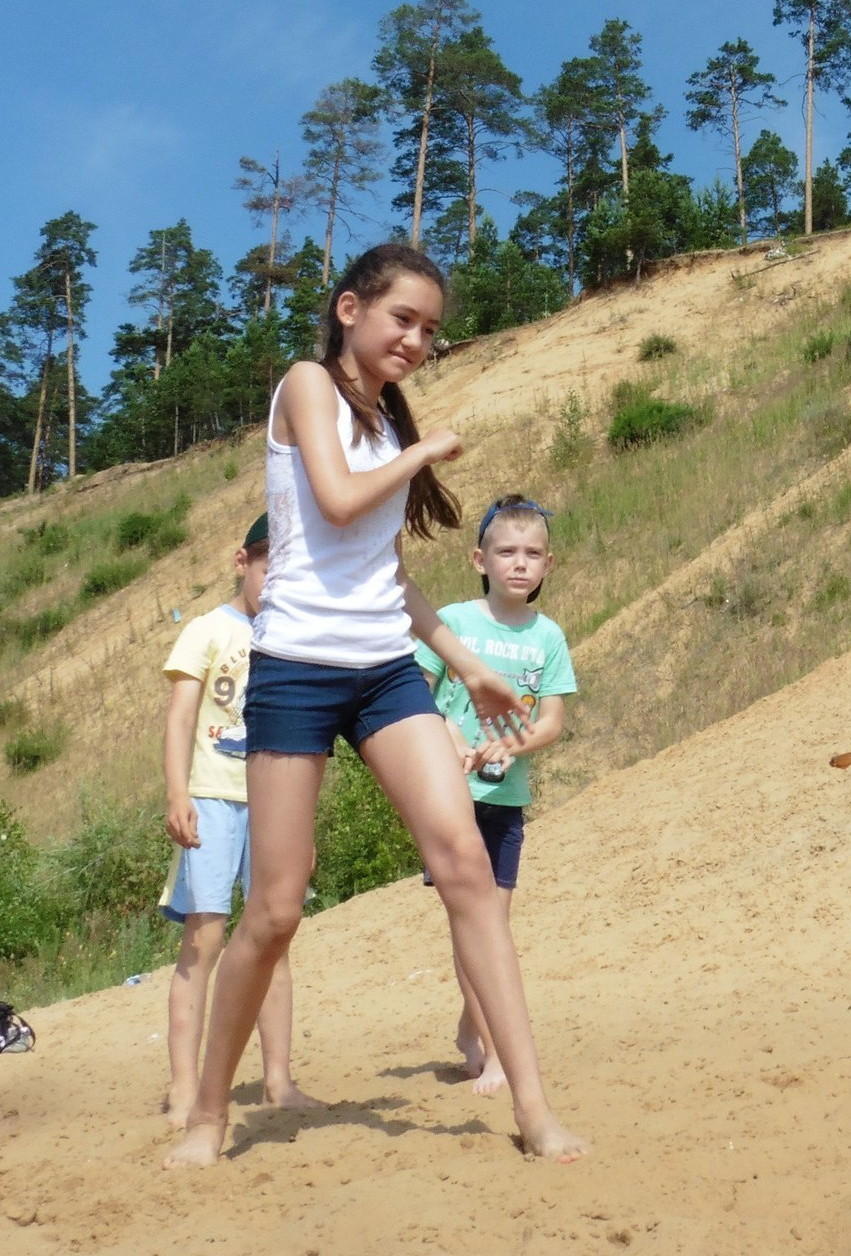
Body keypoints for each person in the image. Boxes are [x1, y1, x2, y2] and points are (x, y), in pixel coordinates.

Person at [166, 243, 585, 1167]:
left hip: (385, 670)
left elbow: (385, 576)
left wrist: (465, 664)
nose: (418, 340)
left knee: (466, 868)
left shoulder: (384, 421)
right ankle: (207, 1113)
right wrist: (427, 451)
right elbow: (339, 502)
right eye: (405, 320)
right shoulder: (307, 385)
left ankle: (534, 1108)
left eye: (432, 330)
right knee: (274, 912)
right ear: (351, 308)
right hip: (297, 672)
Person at [414, 494, 577, 1092]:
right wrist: (450, 728)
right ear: (479, 559)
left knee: (494, 925)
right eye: (506, 551)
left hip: (506, 799)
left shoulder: (548, 636)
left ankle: (470, 1028)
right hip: (450, 796)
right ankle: (497, 1051)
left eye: (532, 553)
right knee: (473, 920)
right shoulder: (454, 622)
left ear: (548, 565)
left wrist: (519, 746)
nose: (519, 563)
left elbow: (553, 718)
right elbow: (414, 693)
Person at [160, 512, 316, 1123]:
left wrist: (305, 823)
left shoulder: (296, 640)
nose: (276, 578)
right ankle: (184, 1088)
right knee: (205, 935)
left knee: (274, 939)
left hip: (276, 801)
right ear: (242, 561)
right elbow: (180, 717)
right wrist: (178, 793)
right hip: (211, 796)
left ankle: (278, 1079)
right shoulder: (207, 630)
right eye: (267, 562)